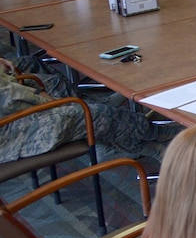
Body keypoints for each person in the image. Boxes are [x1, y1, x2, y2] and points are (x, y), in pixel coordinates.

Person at [0, 53, 177, 164]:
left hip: (9, 100)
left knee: (30, 64)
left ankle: (103, 136)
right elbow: (11, 98)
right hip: (9, 133)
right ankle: (155, 139)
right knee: (92, 114)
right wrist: (43, 97)